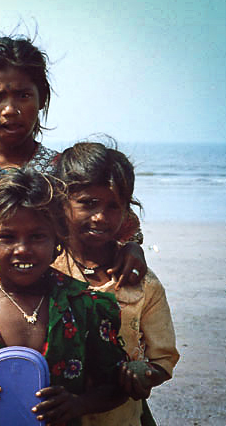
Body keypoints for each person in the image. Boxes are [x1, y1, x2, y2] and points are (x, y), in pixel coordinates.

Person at [0, 167, 128, 426]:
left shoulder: (84, 307)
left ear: (57, 241)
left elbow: (116, 387)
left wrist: (79, 403)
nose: (22, 249)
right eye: (7, 237)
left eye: (37, 237)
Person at [0, 34, 146, 285]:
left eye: (23, 95)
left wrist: (134, 249)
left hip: (52, 315)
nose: (10, 109)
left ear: (42, 99)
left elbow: (124, 228)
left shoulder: (63, 172)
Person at [52, 141, 179, 425]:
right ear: (62, 202)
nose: (100, 217)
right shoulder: (43, 271)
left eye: (113, 206)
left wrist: (141, 374)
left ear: (127, 210)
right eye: (87, 203)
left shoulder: (143, 285)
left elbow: (163, 359)